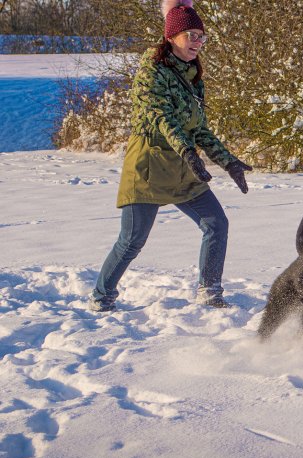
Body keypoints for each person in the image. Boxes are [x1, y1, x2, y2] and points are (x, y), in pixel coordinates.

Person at [89, 0, 252, 311]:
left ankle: (210, 292)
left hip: (183, 166)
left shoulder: (193, 76)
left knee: (216, 223)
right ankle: (101, 297)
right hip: (149, 165)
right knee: (132, 241)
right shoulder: (151, 71)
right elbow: (162, 118)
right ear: (171, 36)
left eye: (202, 36)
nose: (198, 43)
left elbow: (199, 129)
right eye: (191, 35)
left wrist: (228, 161)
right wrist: (188, 151)